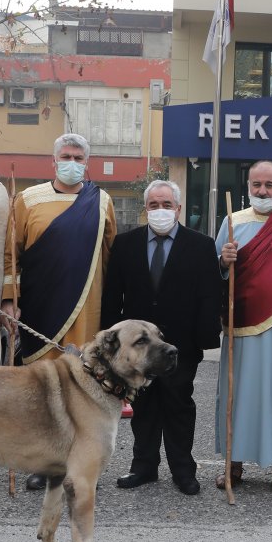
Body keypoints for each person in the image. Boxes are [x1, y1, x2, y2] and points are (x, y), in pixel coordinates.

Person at [1, 133, 117, 491]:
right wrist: (8, 299)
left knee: (83, 392)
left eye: (79, 157)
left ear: (88, 163)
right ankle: (42, 462)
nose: (72, 162)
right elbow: (10, 255)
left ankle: (80, 463)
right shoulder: (27, 199)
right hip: (39, 309)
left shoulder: (102, 202)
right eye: (66, 155)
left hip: (88, 309)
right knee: (41, 391)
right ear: (53, 161)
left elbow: (111, 257)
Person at [104, 180, 222, 496]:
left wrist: (205, 339)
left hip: (181, 345)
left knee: (178, 404)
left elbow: (210, 295)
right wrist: (112, 343)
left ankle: (183, 471)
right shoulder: (125, 244)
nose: (160, 211)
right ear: (146, 208)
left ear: (178, 209)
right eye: (154, 205)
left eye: (166, 205)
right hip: (137, 349)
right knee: (143, 406)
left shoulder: (200, 245)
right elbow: (113, 295)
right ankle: (143, 467)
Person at [215, 160, 272, 496]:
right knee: (236, 393)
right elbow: (214, 279)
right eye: (257, 184)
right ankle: (233, 464)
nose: (262, 191)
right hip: (239, 324)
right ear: (249, 186)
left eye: (270, 185)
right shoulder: (232, 223)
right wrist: (223, 263)